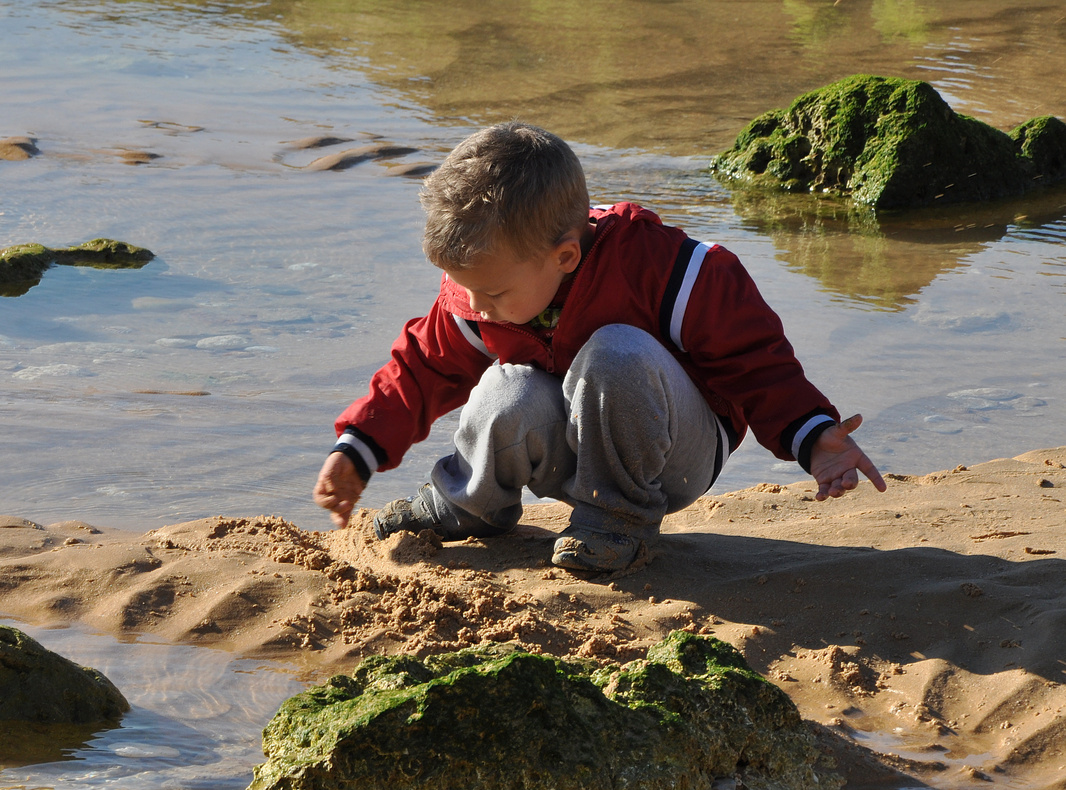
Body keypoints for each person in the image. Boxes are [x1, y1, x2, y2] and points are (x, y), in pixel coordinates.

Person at [311, 122, 885, 571]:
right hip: (569, 452)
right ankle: (468, 502)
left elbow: (756, 363)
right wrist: (356, 447)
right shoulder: (481, 293)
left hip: (669, 459)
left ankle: (617, 520)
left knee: (615, 351)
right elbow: (419, 369)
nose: (474, 306)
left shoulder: (671, 270)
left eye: (490, 291)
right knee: (506, 387)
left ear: (564, 256)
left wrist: (813, 438)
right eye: (464, 289)